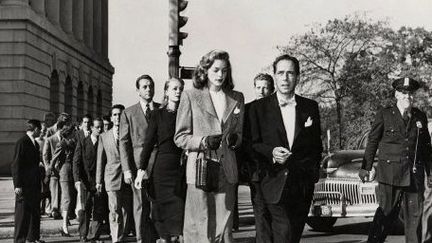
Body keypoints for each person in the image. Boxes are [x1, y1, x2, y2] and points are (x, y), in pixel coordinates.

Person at [248, 54, 323, 243]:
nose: (285, 78)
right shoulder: (257, 108)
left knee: (293, 236)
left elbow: (315, 146)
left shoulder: (310, 107)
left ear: (297, 77)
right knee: (283, 234)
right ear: (274, 75)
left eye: (290, 73)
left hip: (301, 186)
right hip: (271, 182)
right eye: (281, 73)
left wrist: (311, 176)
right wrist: (271, 153)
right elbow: (252, 144)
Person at [174, 50, 245, 243]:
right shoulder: (190, 96)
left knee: (224, 228)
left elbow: (240, 134)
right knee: (199, 225)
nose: (220, 75)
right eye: (215, 70)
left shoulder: (237, 98)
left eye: (224, 70)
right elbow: (180, 137)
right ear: (204, 71)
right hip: (200, 169)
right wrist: (203, 142)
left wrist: (235, 140)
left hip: (227, 168)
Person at [359, 77, 432, 243]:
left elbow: (426, 148)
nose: (407, 96)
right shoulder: (384, 114)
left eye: (410, 93)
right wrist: (365, 167)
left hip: (414, 177)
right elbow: (372, 142)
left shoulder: (420, 116)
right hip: (390, 175)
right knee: (385, 215)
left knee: (415, 219)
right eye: (403, 93)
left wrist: (430, 172)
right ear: (397, 94)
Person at [135, 78, 185, 243]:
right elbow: (148, 144)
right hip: (161, 170)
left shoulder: (186, 114)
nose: (178, 91)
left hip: (180, 170)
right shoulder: (157, 114)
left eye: (180, 88)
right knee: (160, 214)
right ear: (166, 92)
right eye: (174, 89)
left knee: (179, 213)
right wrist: (141, 171)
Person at [119, 74, 160, 243]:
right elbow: (124, 142)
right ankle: (141, 239)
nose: (148, 89)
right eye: (144, 86)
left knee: (157, 204)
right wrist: (127, 170)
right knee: (140, 205)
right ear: (138, 90)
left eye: (150, 86)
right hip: (138, 167)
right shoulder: (128, 113)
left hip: (159, 164)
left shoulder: (161, 109)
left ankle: (159, 238)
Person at [237, 73, 274, 241]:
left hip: (276, 170)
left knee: (276, 211)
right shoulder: (247, 110)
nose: (261, 91)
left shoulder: (278, 110)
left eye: (265, 87)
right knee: (260, 211)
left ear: (272, 90)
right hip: (256, 169)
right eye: (258, 87)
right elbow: (243, 141)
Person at [97, 104, 132, 242]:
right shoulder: (104, 137)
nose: (118, 117)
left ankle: (121, 236)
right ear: (111, 117)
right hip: (111, 177)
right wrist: (98, 181)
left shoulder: (129, 133)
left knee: (126, 210)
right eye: (115, 115)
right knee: (114, 210)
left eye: (120, 114)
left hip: (127, 177)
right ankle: (116, 238)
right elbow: (100, 160)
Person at [11, 119, 44, 243]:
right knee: (22, 215)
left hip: (34, 185)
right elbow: (16, 165)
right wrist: (17, 184)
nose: (41, 132)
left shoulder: (34, 143)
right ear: (35, 129)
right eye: (40, 129)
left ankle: (32, 237)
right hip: (24, 186)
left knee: (33, 212)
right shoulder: (22, 142)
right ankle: (19, 240)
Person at [73, 118, 105, 242]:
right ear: (91, 128)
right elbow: (76, 162)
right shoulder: (83, 142)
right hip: (86, 182)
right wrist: (77, 180)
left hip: (99, 182)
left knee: (98, 209)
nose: (100, 129)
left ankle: (94, 236)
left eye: (101, 127)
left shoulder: (103, 142)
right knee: (85, 209)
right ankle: (83, 235)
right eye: (97, 127)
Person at [49, 122, 76, 236]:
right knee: (67, 198)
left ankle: (67, 220)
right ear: (69, 133)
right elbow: (54, 159)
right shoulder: (61, 144)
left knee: (72, 198)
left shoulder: (74, 143)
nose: (75, 133)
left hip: (73, 171)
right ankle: (64, 226)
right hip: (64, 171)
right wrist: (51, 171)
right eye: (73, 132)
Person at [36, 123, 50, 216]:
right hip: (38, 167)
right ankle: (39, 208)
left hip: (45, 167)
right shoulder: (36, 141)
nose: (42, 133)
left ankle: (46, 208)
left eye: (44, 131)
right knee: (39, 188)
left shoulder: (46, 141)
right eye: (41, 131)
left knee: (46, 188)